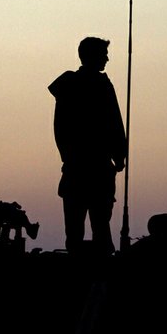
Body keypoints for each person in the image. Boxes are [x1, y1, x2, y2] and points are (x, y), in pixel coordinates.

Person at [48, 36, 127, 256]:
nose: (107, 59)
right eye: (104, 55)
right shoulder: (99, 86)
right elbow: (113, 122)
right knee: (98, 229)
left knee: (77, 231)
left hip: (77, 168)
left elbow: (60, 128)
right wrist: (119, 155)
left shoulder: (68, 85)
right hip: (93, 169)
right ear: (92, 56)